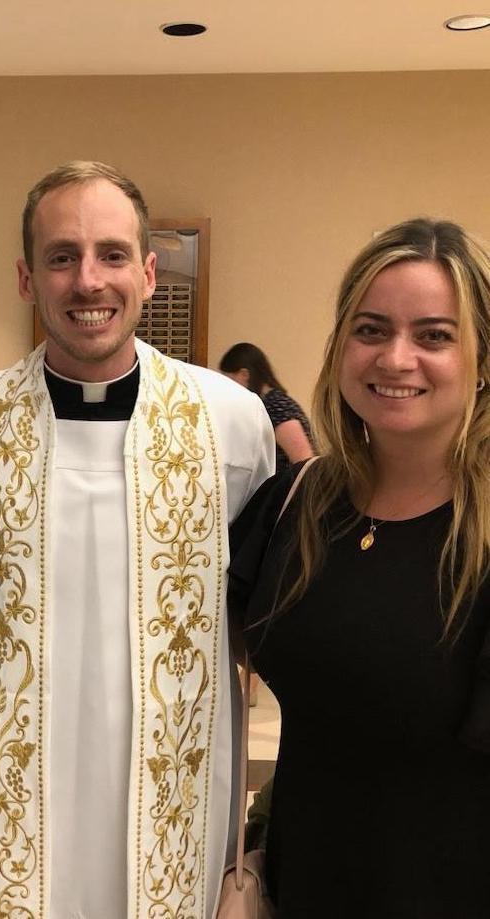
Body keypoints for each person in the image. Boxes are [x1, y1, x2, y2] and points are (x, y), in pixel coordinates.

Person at [0, 161, 275, 919]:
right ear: (25, 277)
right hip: (5, 779)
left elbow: (258, 595)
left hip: (170, 780)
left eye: (111, 255)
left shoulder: (230, 423)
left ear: (147, 273)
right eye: (60, 256)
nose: (88, 281)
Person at [229, 218, 490, 917]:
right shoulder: (295, 503)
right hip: (305, 881)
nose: (395, 358)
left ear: (481, 358)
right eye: (370, 329)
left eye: (433, 335)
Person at [220, 342, 315, 473]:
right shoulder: (265, 405)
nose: (225, 388)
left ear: (244, 375)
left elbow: (304, 461)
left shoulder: (276, 405)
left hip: (286, 490)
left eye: (228, 379)